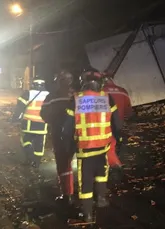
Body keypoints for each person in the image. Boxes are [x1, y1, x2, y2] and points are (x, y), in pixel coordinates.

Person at [62, 69, 123, 222]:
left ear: (83, 82)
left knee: (86, 181)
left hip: (85, 149)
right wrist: (120, 139)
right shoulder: (107, 98)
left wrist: (68, 146)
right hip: (103, 147)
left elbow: (67, 128)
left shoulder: (76, 99)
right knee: (102, 173)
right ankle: (101, 199)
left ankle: (88, 214)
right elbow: (117, 123)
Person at [40, 71, 75, 205]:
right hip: (79, 134)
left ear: (58, 81)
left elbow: (43, 114)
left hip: (59, 134)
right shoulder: (77, 95)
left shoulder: (52, 97)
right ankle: (90, 194)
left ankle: (67, 195)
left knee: (63, 164)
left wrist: (55, 122)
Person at [12, 78, 49, 168]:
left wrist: (14, 118)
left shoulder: (28, 93)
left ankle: (30, 157)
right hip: (42, 125)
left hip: (29, 124)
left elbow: (19, 107)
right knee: (39, 144)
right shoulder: (48, 95)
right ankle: (36, 163)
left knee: (25, 140)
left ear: (33, 84)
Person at [102, 74, 132, 168]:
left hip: (106, 124)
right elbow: (129, 112)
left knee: (109, 146)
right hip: (119, 124)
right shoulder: (123, 91)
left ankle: (114, 166)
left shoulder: (101, 92)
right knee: (117, 142)